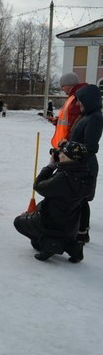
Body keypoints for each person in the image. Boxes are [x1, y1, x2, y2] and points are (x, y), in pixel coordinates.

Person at [14, 141, 93, 262]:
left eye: (62, 153)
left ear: (67, 158)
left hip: (51, 222)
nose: (59, 155)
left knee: (19, 222)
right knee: (42, 238)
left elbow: (38, 186)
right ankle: (72, 247)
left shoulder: (63, 178)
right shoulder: (86, 175)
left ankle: (51, 244)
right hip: (70, 225)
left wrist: (51, 166)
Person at [69, 84, 103, 243]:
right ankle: (78, 230)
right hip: (78, 163)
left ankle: (82, 233)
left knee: (81, 200)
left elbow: (90, 147)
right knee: (77, 199)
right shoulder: (87, 116)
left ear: (88, 101)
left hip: (85, 166)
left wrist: (68, 148)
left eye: (80, 101)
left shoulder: (95, 118)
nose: (77, 104)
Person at [50, 72, 87, 148]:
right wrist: (57, 121)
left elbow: (74, 123)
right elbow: (68, 119)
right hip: (65, 143)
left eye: (62, 86)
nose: (61, 89)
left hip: (68, 144)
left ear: (69, 85)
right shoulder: (72, 98)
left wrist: (67, 144)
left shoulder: (76, 99)